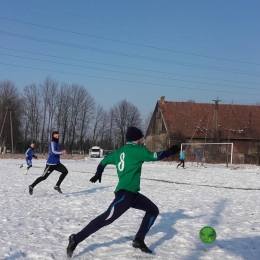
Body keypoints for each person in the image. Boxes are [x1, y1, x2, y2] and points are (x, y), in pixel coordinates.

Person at [66, 126, 181, 258]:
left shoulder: (119, 152)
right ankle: (76, 238)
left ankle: (139, 240)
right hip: (125, 195)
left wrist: (98, 173)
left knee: (153, 210)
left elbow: (103, 162)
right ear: (137, 139)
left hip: (133, 195)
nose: (142, 141)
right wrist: (170, 151)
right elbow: (156, 156)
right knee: (105, 219)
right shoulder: (138, 150)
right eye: (141, 138)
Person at [28, 131, 68, 195]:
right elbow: (53, 152)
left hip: (57, 163)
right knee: (43, 177)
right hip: (51, 164)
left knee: (65, 171)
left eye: (58, 136)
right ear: (53, 136)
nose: (57, 137)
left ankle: (57, 186)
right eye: (56, 136)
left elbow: (57, 151)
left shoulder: (57, 143)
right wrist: (62, 152)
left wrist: (61, 152)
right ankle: (31, 186)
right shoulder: (52, 143)